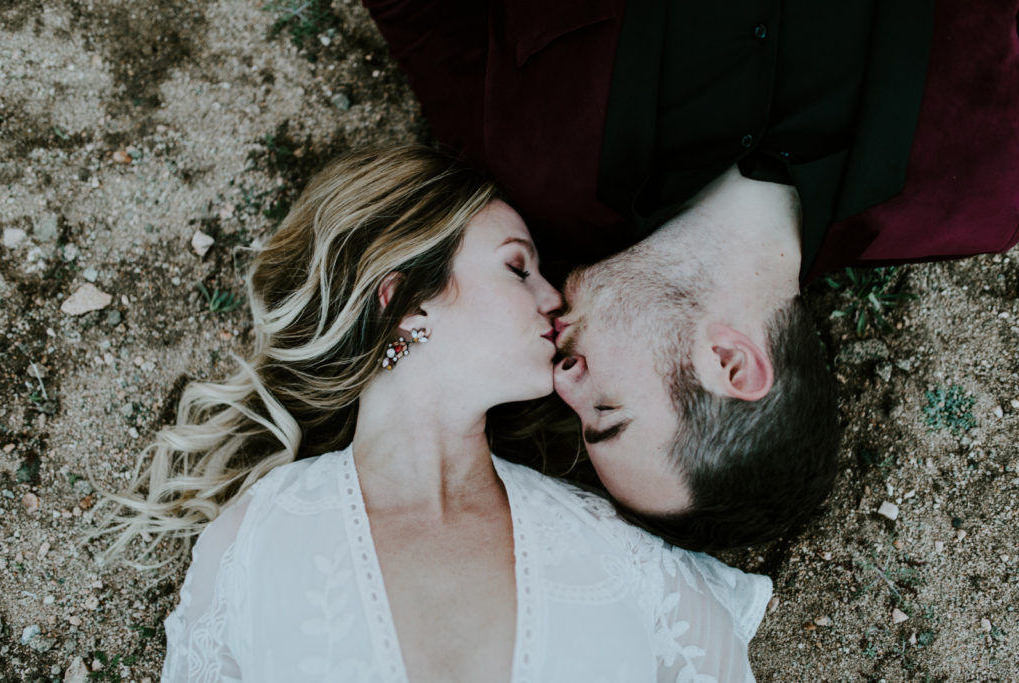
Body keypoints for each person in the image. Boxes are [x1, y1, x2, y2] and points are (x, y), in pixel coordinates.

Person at [363, 0, 1019, 550]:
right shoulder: (986, 180)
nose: (561, 379)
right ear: (732, 363)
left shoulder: (528, 174)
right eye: (607, 413)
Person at [100, 146, 772, 681]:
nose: (553, 299)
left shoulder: (612, 546)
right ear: (406, 300)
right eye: (518, 267)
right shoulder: (258, 538)